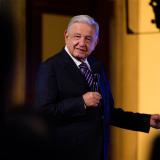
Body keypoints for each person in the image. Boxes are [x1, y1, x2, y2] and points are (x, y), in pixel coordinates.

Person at [35, 15, 160, 160]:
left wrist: (146, 120)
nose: (82, 43)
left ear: (96, 43)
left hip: (99, 154)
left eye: (88, 39)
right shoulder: (50, 67)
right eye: (77, 36)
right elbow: (43, 112)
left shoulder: (98, 67)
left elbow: (109, 113)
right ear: (66, 36)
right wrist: (81, 102)